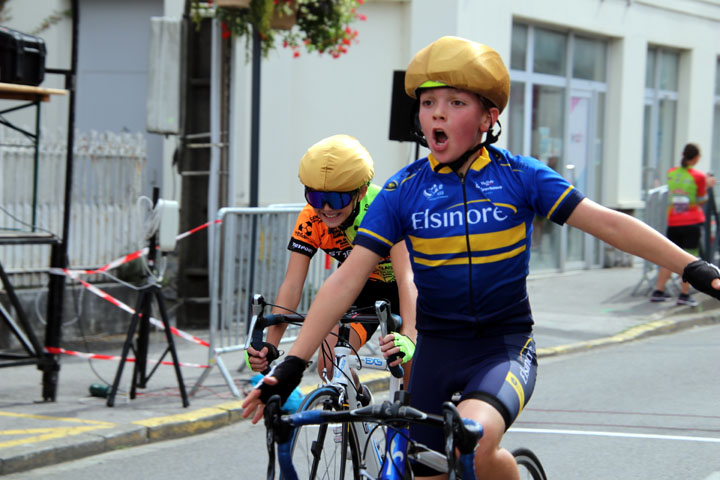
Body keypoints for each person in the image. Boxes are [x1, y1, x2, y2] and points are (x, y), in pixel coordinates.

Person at [242, 36, 720, 479]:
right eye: (428, 104)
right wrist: (290, 366)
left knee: (470, 443)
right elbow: (345, 280)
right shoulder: (402, 191)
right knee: (421, 468)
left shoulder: (520, 177)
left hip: (502, 347)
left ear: (489, 116)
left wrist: (692, 267)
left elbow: (611, 223)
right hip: (436, 350)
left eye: (455, 103)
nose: (437, 115)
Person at [244, 134, 416, 385]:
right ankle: (354, 412)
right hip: (364, 287)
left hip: (411, 286)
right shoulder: (310, 218)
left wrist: (409, 334)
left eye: (336, 199)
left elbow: (406, 278)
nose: (325, 208)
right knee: (329, 365)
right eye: (315, 197)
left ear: (362, 191)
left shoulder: (385, 207)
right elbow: (292, 284)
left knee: (410, 377)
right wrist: (270, 345)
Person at [651, 143, 717, 306]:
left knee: (668, 257)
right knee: (689, 260)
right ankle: (684, 294)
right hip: (692, 221)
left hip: (674, 220)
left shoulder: (671, 173)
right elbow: (701, 200)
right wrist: (707, 185)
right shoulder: (699, 177)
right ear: (695, 158)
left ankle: (658, 290)